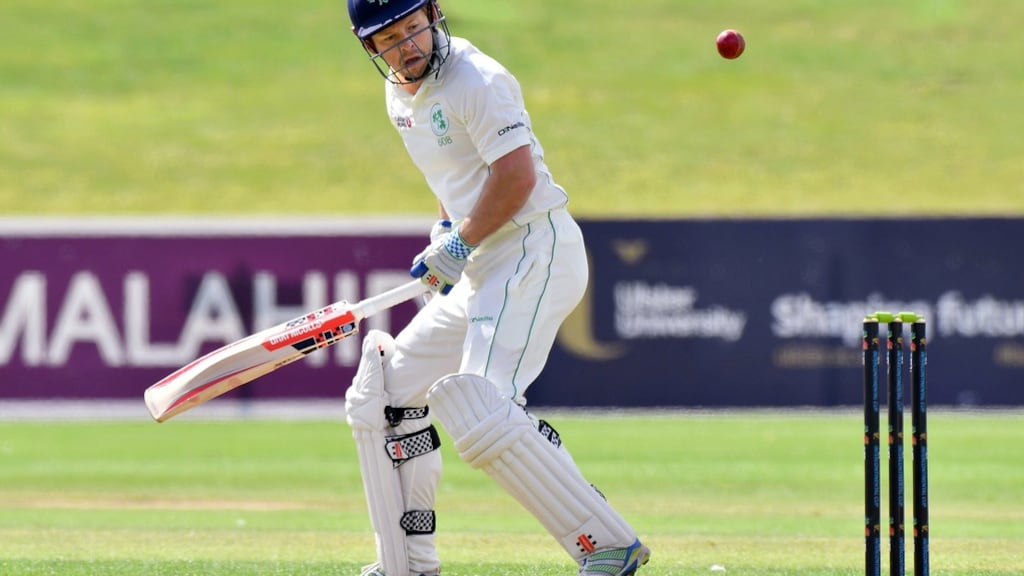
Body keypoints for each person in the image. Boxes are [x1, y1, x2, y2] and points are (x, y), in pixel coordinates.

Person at [342, 1, 650, 575]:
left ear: (434, 16)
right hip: (484, 259)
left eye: (415, 28)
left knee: (479, 407)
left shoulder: (478, 80)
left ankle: (607, 542)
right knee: (383, 394)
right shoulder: (397, 95)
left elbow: (516, 177)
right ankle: (407, 563)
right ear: (371, 48)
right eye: (391, 38)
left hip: (534, 249)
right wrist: (446, 231)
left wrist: (456, 247)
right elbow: (454, 177)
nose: (409, 45)